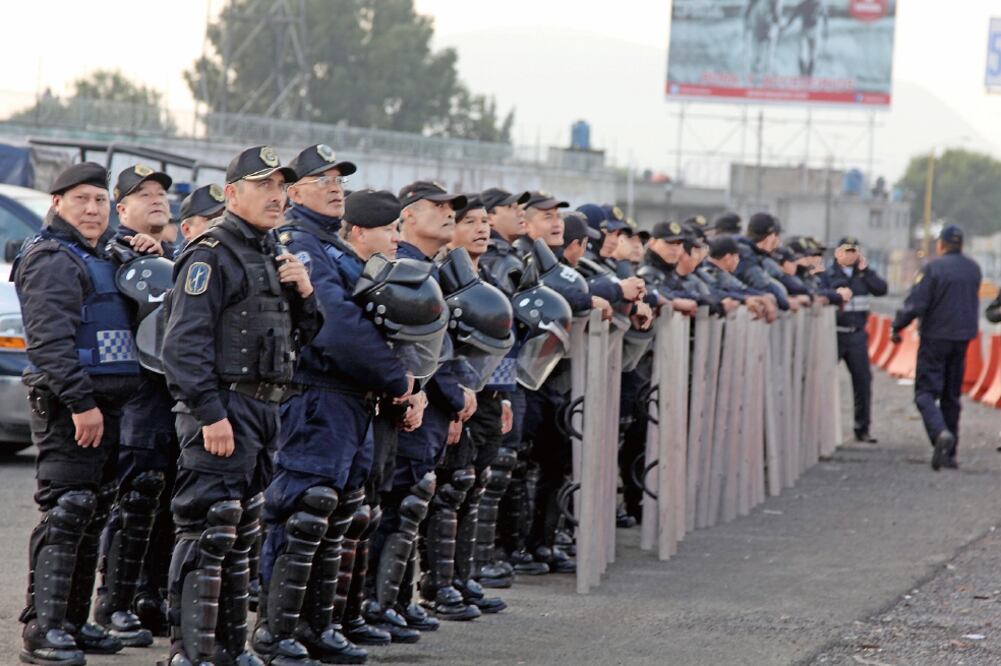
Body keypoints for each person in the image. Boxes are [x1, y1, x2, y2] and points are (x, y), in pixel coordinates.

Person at [161, 145, 321, 665]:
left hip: (264, 410)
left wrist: (305, 294)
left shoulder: (272, 252)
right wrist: (210, 414)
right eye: (263, 186)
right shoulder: (211, 253)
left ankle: (230, 649)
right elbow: (182, 346)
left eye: (281, 187)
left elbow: (300, 338)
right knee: (209, 525)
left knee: (242, 528)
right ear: (232, 194)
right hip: (223, 408)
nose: (277, 197)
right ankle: (190, 653)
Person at [252, 146, 412, 664]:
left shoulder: (331, 246)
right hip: (316, 394)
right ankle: (276, 631)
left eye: (339, 180)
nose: (335, 188)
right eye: (322, 180)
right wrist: (394, 378)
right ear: (294, 191)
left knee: (336, 513)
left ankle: (316, 626)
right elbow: (336, 325)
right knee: (303, 510)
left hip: (349, 399)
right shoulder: (300, 243)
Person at [13, 162, 163, 665]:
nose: (93, 209)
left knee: (94, 510)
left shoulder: (105, 252)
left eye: (100, 200)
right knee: (68, 509)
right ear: (57, 203)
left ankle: (75, 622)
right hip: (72, 407)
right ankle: (44, 628)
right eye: (81, 199)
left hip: (111, 405)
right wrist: (81, 404)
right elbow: (50, 344)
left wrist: (146, 253)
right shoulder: (52, 257)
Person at [91, 165, 179, 646]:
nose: (157, 199)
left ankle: (150, 596)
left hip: (174, 397)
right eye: (143, 193)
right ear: (120, 208)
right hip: (138, 398)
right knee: (136, 498)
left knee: (166, 501)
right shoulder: (112, 251)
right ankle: (114, 602)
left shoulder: (176, 256)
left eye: (161, 192)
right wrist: (128, 248)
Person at [391, 180, 482, 623]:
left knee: (413, 502)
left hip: (433, 401)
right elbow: (414, 351)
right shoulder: (403, 267)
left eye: (451, 208)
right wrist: (448, 392)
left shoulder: (433, 268)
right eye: (437, 206)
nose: (448, 214)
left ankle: (396, 601)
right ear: (407, 214)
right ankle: (384, 604)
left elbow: (446, 345)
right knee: (399, 503)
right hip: (411, 401)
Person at [892, 225, 982, 471]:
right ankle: (949, 455)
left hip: (935, 339)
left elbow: (917, 303)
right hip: (962, 339)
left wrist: (897, 325)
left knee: (925, 393)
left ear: (941, 245)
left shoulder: (933, 268)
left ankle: (940, 432)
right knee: (952, 396)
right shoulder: (973, 269)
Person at [820, 236, 886, 444]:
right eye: (846, 251)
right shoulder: (828, 274)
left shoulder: (863, 275)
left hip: (857, 334)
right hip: (835, 334)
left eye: (853, 251)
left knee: (863, 381)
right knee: (823, 381)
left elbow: (881, 289)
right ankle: (821, 429)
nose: (850, 255)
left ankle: (862, 429)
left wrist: (866, 271)